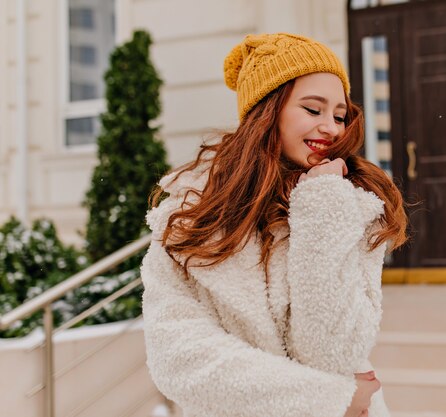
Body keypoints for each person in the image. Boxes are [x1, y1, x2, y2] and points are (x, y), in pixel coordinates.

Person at [140, 32, 407, 417]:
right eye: (313, 110)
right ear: (267, 112)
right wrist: (330, 400)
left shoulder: (352, 207)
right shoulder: (188, 219)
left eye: (339, 115)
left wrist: (322, 209)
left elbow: (333, 350)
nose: (332, 129)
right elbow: (179, 357)